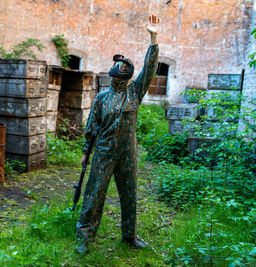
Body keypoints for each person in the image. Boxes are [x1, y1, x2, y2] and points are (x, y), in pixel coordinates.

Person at [75, 15, 160, 254]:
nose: (122, 68)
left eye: (125, 66)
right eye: (119, 66)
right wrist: (85, 152)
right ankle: (84, 236)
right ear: (113, 73)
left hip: (127, 153)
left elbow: (150, 68)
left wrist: (153, 38)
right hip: (103, 153)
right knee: (94, 194)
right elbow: (92, 126)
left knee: (130, 194)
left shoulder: (135, 91)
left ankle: (129, 236)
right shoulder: (102, 97)